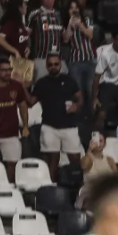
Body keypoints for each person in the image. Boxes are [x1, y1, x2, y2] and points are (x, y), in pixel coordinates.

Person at [28, 52, 83, 181]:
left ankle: (79, 185)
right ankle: (51, 186)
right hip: (49, 127)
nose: (53, 67)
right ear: (46, 66)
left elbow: (80, 98)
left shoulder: (69, 80)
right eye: (50, 64)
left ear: (60, 65)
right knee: (52, 160)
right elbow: (31, 102)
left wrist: (76, 106)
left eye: (56, 64)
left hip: (69, 126)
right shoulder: (41, 83)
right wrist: (22, 86)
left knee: (75, 158)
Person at [63, 0, 96, 117]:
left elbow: (90, 35)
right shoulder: (65, 24)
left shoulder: (87, 20)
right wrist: (70, 25)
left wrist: (80, 25)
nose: (74, 10)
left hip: (90, 59)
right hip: (75, 61)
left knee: (90, 88)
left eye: (76, 7)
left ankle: (92, 114)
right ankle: (79, 115)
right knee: (78, 90)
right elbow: (65, 39)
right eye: (71, 8)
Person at [28, 0, 64, 81]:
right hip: (41, 58)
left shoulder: (58, 15)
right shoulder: (35, 14)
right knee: (41, 84)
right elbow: (27, 34)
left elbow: (64, 36)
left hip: (57, 59)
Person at [0, 0, 32, 86]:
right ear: (19, 7)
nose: (26, 6)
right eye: (24, 4)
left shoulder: (20, 24)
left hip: (22, 61)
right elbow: (0, 40)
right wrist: (15, 51)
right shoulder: (10, 24)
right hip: (11, 62)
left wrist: (27, 48)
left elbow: (23, 38)